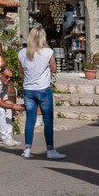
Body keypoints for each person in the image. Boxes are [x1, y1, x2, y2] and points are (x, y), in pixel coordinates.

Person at [18, 26, 65, 159]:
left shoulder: (22, 53)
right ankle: (50, 150)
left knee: (30, 121)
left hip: (28, 90)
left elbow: (21, 71)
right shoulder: (48, 52)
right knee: (48, 121)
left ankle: (27, 149)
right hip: (43, 89)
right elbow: (54, 69)